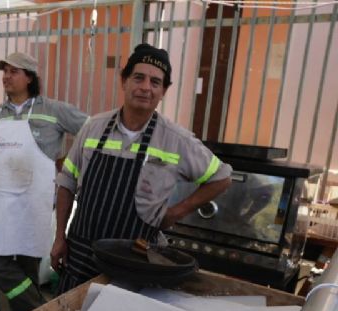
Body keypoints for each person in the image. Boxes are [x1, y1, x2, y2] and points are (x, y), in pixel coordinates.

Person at [51, 43, 232, 293]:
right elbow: (67, 182)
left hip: (136, 260)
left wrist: (176, 212)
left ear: (163, 91)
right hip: (82, 253)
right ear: (124, 81)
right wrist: (60, 236)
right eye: (139, 77)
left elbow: (222, 177)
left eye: (155, 82)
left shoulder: (175, 139)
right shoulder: (93, 127)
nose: (146, 87)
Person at [0, 52, 87, 311]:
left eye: (14, 71)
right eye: (4, 71)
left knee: (27, 267)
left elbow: (92, 130)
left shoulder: (53, 110)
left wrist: (70, 161)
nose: (6, 76)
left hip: (35, 204)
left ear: (30, 77)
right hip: (2, 203)